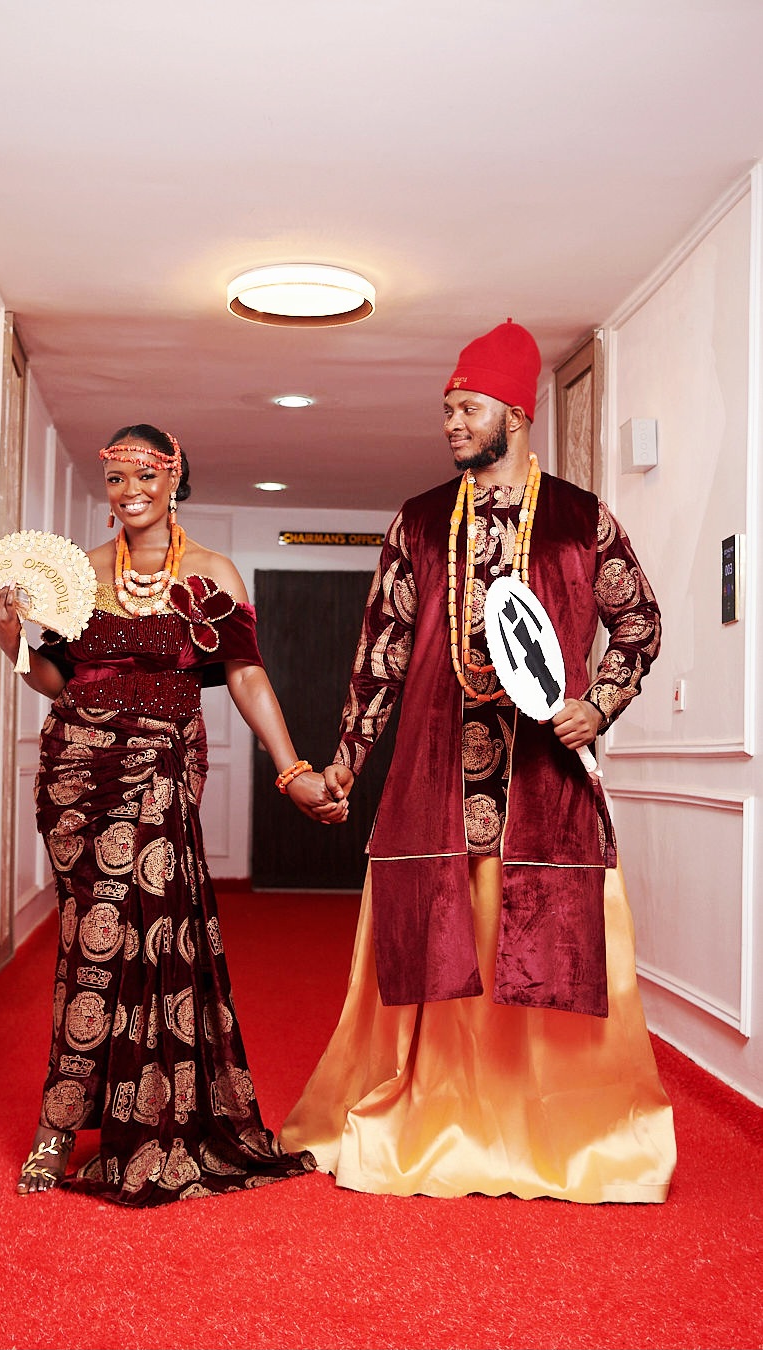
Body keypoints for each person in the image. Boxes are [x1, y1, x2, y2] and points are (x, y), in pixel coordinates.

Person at [281, 321, 677, 1204]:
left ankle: (561, 1136)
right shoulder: (420, 521)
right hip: (435, 781)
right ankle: (435, 1118)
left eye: (468, 408)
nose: (452, 423)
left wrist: (598, 703)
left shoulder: (579, 520)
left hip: (544, 786)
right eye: (447, 409)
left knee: (545, 950)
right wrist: (347, 761)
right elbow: (382, 653)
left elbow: (640, 621)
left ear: (516, 414)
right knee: (435, 955)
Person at [0, 423, 345, 1205]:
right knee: (89, 934)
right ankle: (62, 1122)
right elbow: (55, 679)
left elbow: (245, 674)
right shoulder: (79, 572)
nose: (130, 491)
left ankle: (101, 1120)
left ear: (174, 478)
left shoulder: (212, 572)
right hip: (76, 774)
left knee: (136, 936)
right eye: (116, 478)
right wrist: (10, 639)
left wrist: (291, 770)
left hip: (160, 771)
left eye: (146, 474)